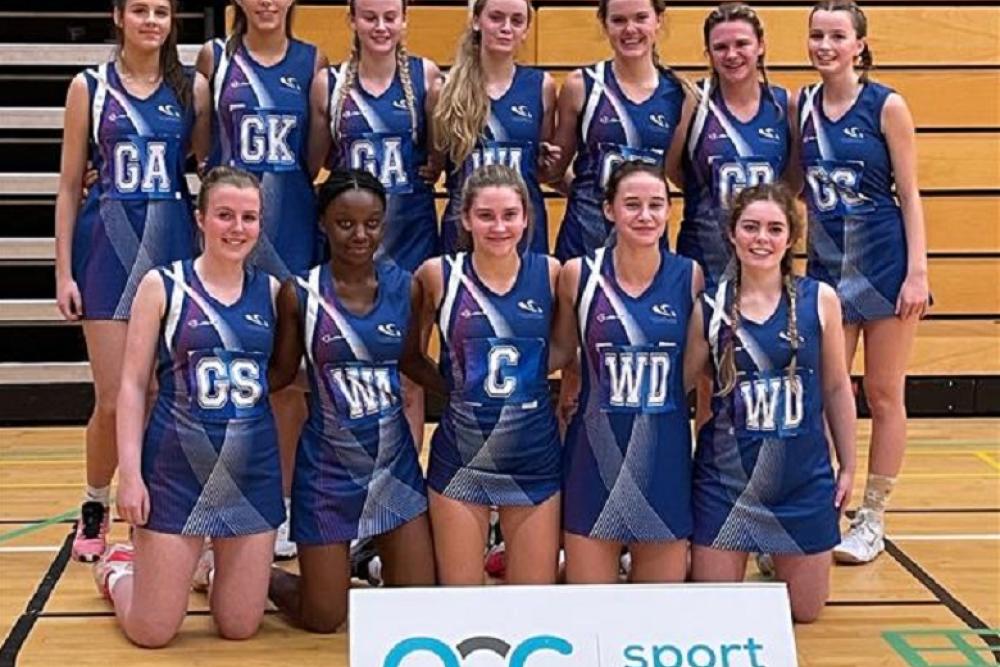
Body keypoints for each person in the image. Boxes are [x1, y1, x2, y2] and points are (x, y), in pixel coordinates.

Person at [94, 166, 285, 647]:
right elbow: (134, 387)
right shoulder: (163, 286)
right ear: (200, 219)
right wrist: (131, 477)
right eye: (224, 215)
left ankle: (204, 570)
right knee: (152, 631)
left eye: (248, 217)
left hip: (249, 473)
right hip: (175, 470)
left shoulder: (276, 293)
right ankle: (118, 572)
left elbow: (288, 380)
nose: (237, 228)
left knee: (240, 626)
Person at [54, 0, 200, 562]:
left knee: (164, 395)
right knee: (114, 399)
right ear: (118, 16)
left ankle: (150, 512)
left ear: (172, 21)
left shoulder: (193, 90)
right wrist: (63, 270)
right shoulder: (88, 88)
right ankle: (94, 504)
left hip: (170, 249)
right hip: (106, 252)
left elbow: (207, 163)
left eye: (160, 11)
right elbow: (69, 185)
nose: (150, 21)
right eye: (139, 9)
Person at [266, 170, 435, 633]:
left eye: (373, 223)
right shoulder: (298, 293)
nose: (361, 235)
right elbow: (280, 375)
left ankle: (364, 564)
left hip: (392, 465)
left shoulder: (408, 287)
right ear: (323, 223)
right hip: (327, 471)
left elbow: (412, 362)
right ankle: (249, 573)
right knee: (324, 618)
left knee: (418, 610)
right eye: (345, 223)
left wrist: (463, 389)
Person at [686, 183, 856, 623]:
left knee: (805, 613)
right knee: (716, 615)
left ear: (790, 238)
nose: (762, 238)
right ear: (732, 234)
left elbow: (837, 387)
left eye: (774, 228)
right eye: (751, 227)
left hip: (801, 480)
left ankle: (775, 554)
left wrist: (850, 466)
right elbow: (688, 390)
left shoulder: (820, 299)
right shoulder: (710, 306)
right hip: (726, 482)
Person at [196, 0, 329, 559]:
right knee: (220, 367)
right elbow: (203, 150)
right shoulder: (214, 58)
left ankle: (285, 505)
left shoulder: (313, 60)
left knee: (292, 377)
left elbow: (316, 156)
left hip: (293, 225)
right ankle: (212, 501)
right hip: (235, 225)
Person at [798, 0, 929, 563]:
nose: (825, 45)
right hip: (827, 266)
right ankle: (821, 509)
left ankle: (871, 515)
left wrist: (918, 271)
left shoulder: (886, 105)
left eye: (837, 36)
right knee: (827, 392)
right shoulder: (799, 106)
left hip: (884, 262)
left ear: (859, 45)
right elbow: (789, 184)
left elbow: (910, 193)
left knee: (882, 391)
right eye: (816, 35)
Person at [409, 164, 562, 585]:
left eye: (510, 215)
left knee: (531, 605)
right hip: (461, 458)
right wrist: (453, 385)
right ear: (465, 218)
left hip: (534, 457)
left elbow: (566, 349)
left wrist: (526, 375)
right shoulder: (437, 275)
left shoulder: (551, 274)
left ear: (527, 217)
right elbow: (411, 356)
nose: (499, 226)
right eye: (486, 215)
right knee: (461, 603)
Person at [553, 162, 702, 583]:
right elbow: (564, 353)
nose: (645, 215)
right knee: (593, 613)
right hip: (593, 456)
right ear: (608, 210)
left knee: (658, 613)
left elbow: (689, 374)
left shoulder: (689, 276)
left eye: (656, 205)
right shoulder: (576, 275)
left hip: (664, 455)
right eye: (632, 204)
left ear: (669, 211)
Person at [667, 2, 796, 289]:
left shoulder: (784, 105)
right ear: (708, 54)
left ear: (760, 45)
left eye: (742, 44)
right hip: (703, 256)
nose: (732, 54)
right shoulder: (694, 102)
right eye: (721, 47)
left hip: (765, 259)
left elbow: (792, 181)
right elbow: (673, 168)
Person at [548, 0, 686, 261]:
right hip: (584, 242)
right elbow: (553, 172)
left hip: (648, 244)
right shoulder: (581, 85)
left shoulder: (679, 94)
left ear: (659, 20)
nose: (630, 29)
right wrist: (589, 194)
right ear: (604, 24)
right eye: (619, 20)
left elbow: (676, 172)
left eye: (640, 18)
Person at [433, 0, 557, 255]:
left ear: (526, 30)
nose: (506, 28)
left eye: (516, 21)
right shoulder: (444, 89)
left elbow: (542, 170)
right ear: (477, 21)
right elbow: (434, 164)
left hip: (523, 225)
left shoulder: (542, 86)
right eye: (496, 18)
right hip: (464, 226)